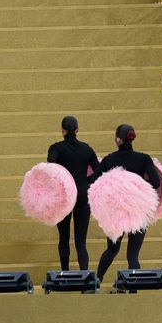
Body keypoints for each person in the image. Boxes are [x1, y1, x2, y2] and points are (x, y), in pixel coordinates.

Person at [92, 124, 161, 281]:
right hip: (137, 211)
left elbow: (94, 182)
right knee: (133, 254)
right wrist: (136, 189)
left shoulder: (109, 160)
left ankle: (97, 282)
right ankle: (133, 291)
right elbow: (156, 183)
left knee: (111, 250)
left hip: (116, 213)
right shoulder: (144, 158)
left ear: (118, 139)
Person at [47, 115, 99, 271]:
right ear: (77, 130)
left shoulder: (56, 148)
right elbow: (98, 170)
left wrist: (64, 179)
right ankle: (85, 276)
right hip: (83, 194)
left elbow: (51, 166)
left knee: (64, 237)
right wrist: (85, 179)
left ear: (62, 131)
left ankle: (65, 273)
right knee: (80, 241)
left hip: (64, 195)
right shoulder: (87, 148)